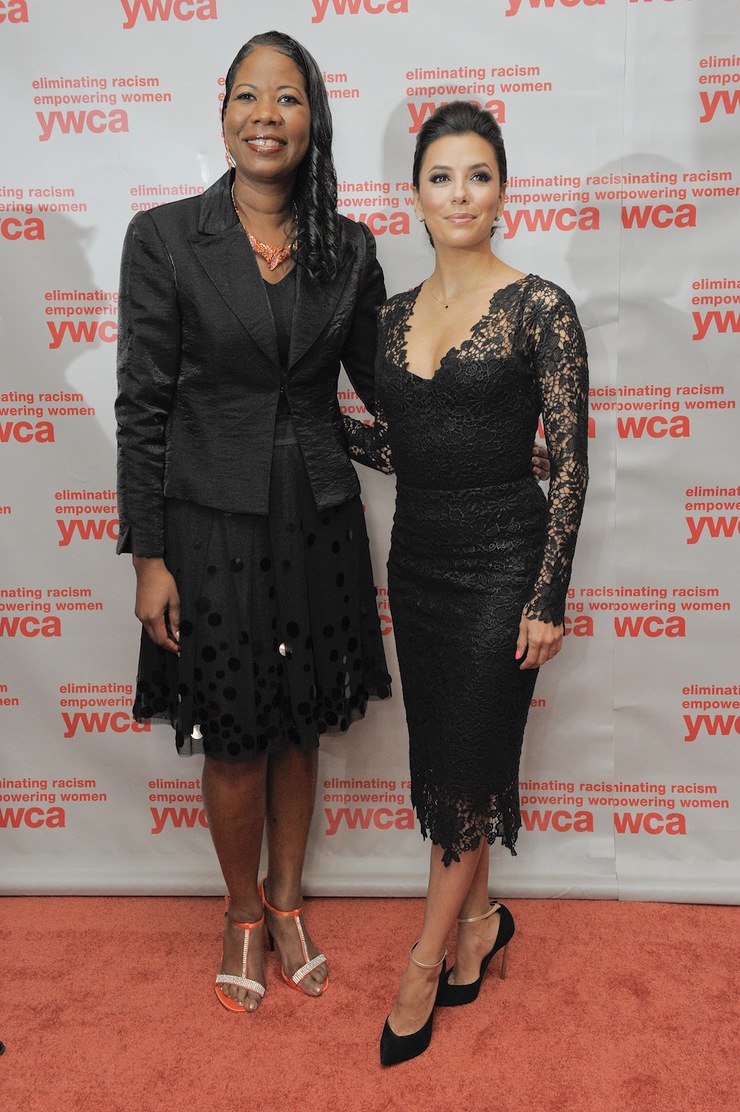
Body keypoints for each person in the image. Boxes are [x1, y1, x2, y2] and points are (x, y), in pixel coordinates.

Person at [115, 31, 394, 1012]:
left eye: (286, 97)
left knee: (300, 727)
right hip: (207, 528)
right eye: (247, 96)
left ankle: (286, 898)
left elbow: (376, 395)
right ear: (222, 112)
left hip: (316, 518)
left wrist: (474, 440)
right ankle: (240, 908)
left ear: (313, 118)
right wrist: (148, 556)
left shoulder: (348, 247)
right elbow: (142, 405)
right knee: (234, 732)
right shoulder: (161, 238)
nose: (264, 113)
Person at [343, 101, 589, 1065]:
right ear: (415, 194)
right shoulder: (393, 317)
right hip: (421, 564)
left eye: (477, 175)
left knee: (464, 765)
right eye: (441, 176)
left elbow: (568, 463)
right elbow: (406, 446)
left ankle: (423, 962)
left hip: (504, 567)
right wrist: (313, 426)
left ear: (501, 189)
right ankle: (481, 922)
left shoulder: (542, 308)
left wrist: (547, 595)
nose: (460, 193)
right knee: (453, 760)